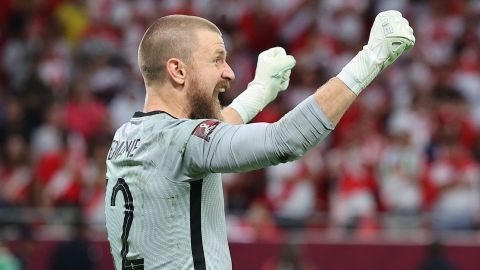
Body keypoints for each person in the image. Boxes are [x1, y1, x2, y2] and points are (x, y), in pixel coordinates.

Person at [105, 11, 414, 270]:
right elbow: (285, 140)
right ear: (178, 70)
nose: (228, 72)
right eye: (217, 60)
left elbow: (206, 136)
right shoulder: (181, 142)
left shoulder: (127, 137)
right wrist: (370, 59)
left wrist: (260, 91)